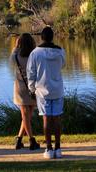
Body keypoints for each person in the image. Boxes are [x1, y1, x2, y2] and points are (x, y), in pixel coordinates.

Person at [27, 26, 65, 159]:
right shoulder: (60, 51)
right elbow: (63, 65)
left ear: (41, 37)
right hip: (58, 89)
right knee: (57, 118)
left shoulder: (35, 53)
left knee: (46, 119)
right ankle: (58, 148)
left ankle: (49, 149)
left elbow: (31, 73)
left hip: (42, 91)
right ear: (52, 37)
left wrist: (31, 89)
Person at [10, 33, 40, 150]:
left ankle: (19, 140)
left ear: (20, 43)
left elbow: (10, 62)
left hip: (20, 88)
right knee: (27, 115)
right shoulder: (35, 56)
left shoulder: (15, 56)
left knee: (25, 116)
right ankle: (32, 141)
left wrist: (15, 47)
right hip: (33, 88)